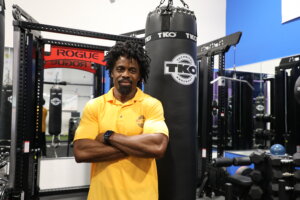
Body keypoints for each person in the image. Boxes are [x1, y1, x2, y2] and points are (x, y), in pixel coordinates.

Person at [73, 40, 169, 200]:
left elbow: (157, 146)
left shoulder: (152, 105)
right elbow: (81, 151)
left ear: (139, 76)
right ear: (111, 72)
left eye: (132, 70)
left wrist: (108, 136)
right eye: (120, 69)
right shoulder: (95, 106)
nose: (125, 74)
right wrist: (137, 148)